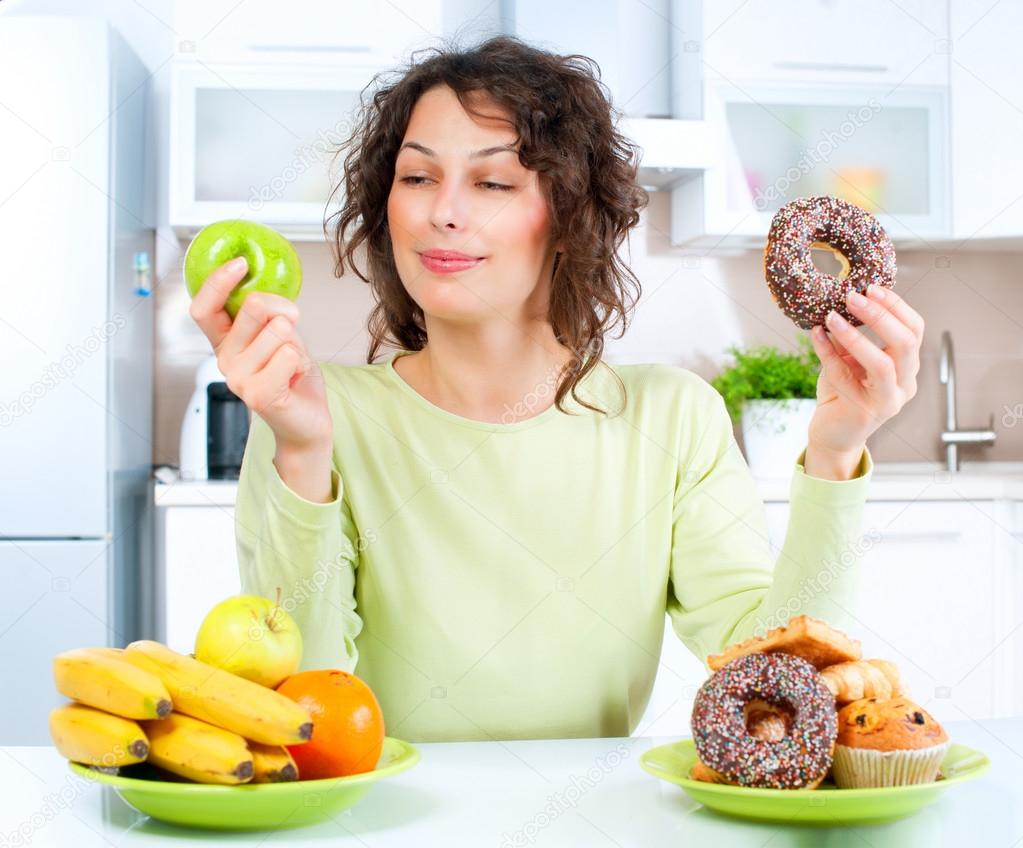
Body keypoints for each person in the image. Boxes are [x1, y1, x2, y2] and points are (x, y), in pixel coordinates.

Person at [188, 36, 923, 742]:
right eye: (416, 177)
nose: (443, 210)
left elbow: (782, 685)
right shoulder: (319, 415)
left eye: (492, 182)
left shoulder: (670, 416)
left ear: (569, 218)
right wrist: (303, 451)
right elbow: (301, 703)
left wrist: (833, 455)